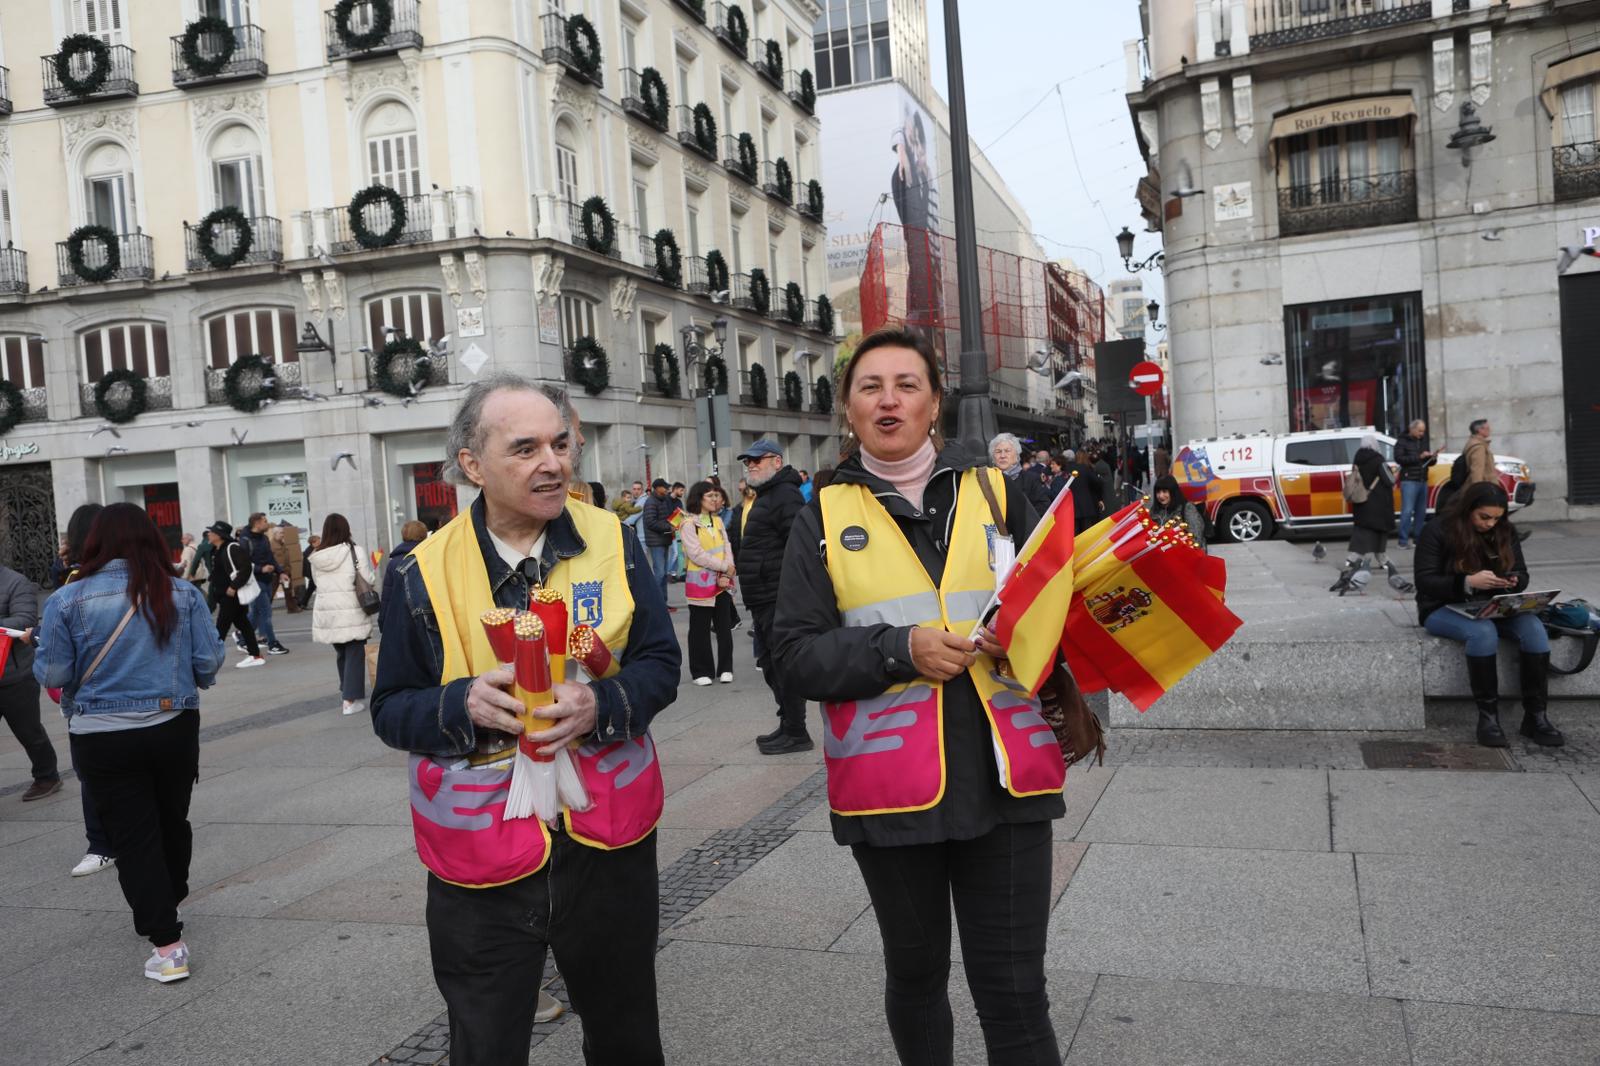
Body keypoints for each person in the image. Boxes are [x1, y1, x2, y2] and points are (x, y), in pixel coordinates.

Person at [773, 326, 1065, 1064]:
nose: (889, 399)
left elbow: (1058, 604)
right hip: (890, 793)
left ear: (935, 402)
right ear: (848, 408)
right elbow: (792, 655)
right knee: (916, 975)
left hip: (1006, 778)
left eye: (907, 384)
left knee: (1014, 988)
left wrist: (1021, 630)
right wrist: (899, 648)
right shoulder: (822, 517)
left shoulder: (999, 491)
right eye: (870, 387)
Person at [371, 374, 679, 1066]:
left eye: (561, 444)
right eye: (526, 448)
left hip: (607, 841)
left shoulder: (612, 539)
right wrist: (460, 704)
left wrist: (602, 703)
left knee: (627, 1033)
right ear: (472, 464)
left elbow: (660, 662)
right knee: (485, 1043)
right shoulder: (421, 570)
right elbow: (391, 708)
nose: (553, 463)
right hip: (482, 851)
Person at [33, 503, 225, 984]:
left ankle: (168, 945)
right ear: (151, 539)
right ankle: (167, 894)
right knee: (171, 821)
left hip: (102, 735)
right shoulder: (181, 593)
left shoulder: (67, 600)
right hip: (172, 727)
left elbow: (54, 674)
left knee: (132, 837)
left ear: (94, 542)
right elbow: (207, 664)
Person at [1414, 482, 1561, 749]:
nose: (1491, 523)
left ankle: (1536, 717)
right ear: (1468, 510)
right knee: (1483, 633)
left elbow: (1522, 572)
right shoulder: (1437, 530)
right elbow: (1425, 581)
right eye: (1484, 517)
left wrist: (1514, 582)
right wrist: (1467, 582)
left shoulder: (1505, 530)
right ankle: (1488, 719)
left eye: (1497, 517)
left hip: (1494, 605)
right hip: (1442, 606)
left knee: (1534, 630)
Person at [734, 438, 810, 754]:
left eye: (757, 460)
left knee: (781, 664)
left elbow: (799, 542)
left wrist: (789, 591)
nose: (751, 465)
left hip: (777, 595)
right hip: (764, 596)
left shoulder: (784, 494)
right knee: (769, 663)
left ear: (776, 462)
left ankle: (796, 731)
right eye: (748, 462)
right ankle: (788, 724)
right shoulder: (768, 494)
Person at [56, 502, 117, 877]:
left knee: (92, 772)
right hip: (143, 695)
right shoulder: (72, 580)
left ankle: (101, 844)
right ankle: (104, 842)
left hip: (92, 698)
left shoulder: (73, 587)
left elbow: (55, 666)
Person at [1, 562, 61, 802]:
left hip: (15, 675)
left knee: (29, 731)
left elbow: (25, 620)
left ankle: (47, 776)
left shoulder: (16, 582)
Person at [309, 513, 378, 717]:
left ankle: (346, 692)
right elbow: (368, 578)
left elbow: (316, 582)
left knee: (342, 652)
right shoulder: (354, 551)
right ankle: (350, 699)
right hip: (350, 608)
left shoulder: (317, 556)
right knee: (355, 652)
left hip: (327, 610)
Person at [1330, 435, 1407, 595]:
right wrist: (1396, 475)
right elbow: (1389, 480)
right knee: (1376, 533)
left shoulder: (1357, 459)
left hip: (1362, 503)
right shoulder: (1379, 460)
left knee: (1364, 534)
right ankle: (1361, 562)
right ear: (1375, 445)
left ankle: (1373, 560)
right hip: (1378, 504)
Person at [681, 480, 737, 686]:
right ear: (699, 499)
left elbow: (726, 545)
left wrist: (729, 568)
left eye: (717, 495)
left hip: (722, 582)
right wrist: (723, 566)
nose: (716, 499)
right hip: (700, 585)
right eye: (710, 496)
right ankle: (701, 671)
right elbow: (696, 554)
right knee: (699, 628)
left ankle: (726, 668)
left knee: (724, 626)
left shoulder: (718, 521)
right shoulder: (688, 524)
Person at [205, 522, 265, 669]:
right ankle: (255, 655)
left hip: (231, 596)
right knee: (243, 624)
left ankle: (209, 660)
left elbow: (246, 568)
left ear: (218, 535)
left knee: (221, 628)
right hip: (224, 595)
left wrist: (233, 586)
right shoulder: (216, 549)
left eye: (211, 532)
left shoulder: (232, 548)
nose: (208, 534)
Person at [242, 513, 289, 656]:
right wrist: (260, 569)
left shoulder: (263, 539)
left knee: (256, 613)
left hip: (267, 580)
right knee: (266, 613)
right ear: (257, 523)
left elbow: (270, 557)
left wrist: (280, 572)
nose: (267, 523)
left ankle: (243, 638)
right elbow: (243, 563)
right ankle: (272, 644)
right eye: (265, 521)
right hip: (255, 582)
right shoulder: (245, 541)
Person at [1394, 419, 1434, 550]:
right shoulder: (1402, 441)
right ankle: (1403, 541)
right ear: (1412, 429)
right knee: (1407, 511)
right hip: (1409, 479)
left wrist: (1432, 458)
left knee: (1421, 512)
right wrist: (1419, 457)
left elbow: (1427, 461)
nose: (1422, 433)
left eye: (1423, 431)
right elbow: (1399, 459)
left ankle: (1418, 539)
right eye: (1420, 431)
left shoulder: (1422, 441)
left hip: (1422, 479)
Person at [639, 478, 678, 609]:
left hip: (664, 540)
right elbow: (650, 522)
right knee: (659, 573)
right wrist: (668, 527)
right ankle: (655, 603)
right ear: (657, 488)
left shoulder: (664, 500)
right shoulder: (651, 502)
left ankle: (663, 603)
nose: (667, 489)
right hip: (656, 542)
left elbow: (667, 516)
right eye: (664, 487)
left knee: (663, 574)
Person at [1147, 474, 1207, 551]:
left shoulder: (1187, 508)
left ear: (1173, 492)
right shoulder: (1154, 511)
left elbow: (1196, 538)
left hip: (1184, 557)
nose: (1161, 496)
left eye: (1165, 491)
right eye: (1158, 492)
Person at [381, 519, 429, 611]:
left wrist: (383, 620)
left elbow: (387, 596)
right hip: (426, 616)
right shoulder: (429, 558)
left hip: (399, 617)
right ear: (424, 535)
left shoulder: (394, 563)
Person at [273, 521, 307, 613]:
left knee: (288, 592)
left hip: (286, 572)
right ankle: (265, 610)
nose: (283, 535)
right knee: (271, 592)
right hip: (275, 573)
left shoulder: (283, 544)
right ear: (275, 534)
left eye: (283, 533)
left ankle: (292, 608)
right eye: (281, 533)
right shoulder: (271, 545)